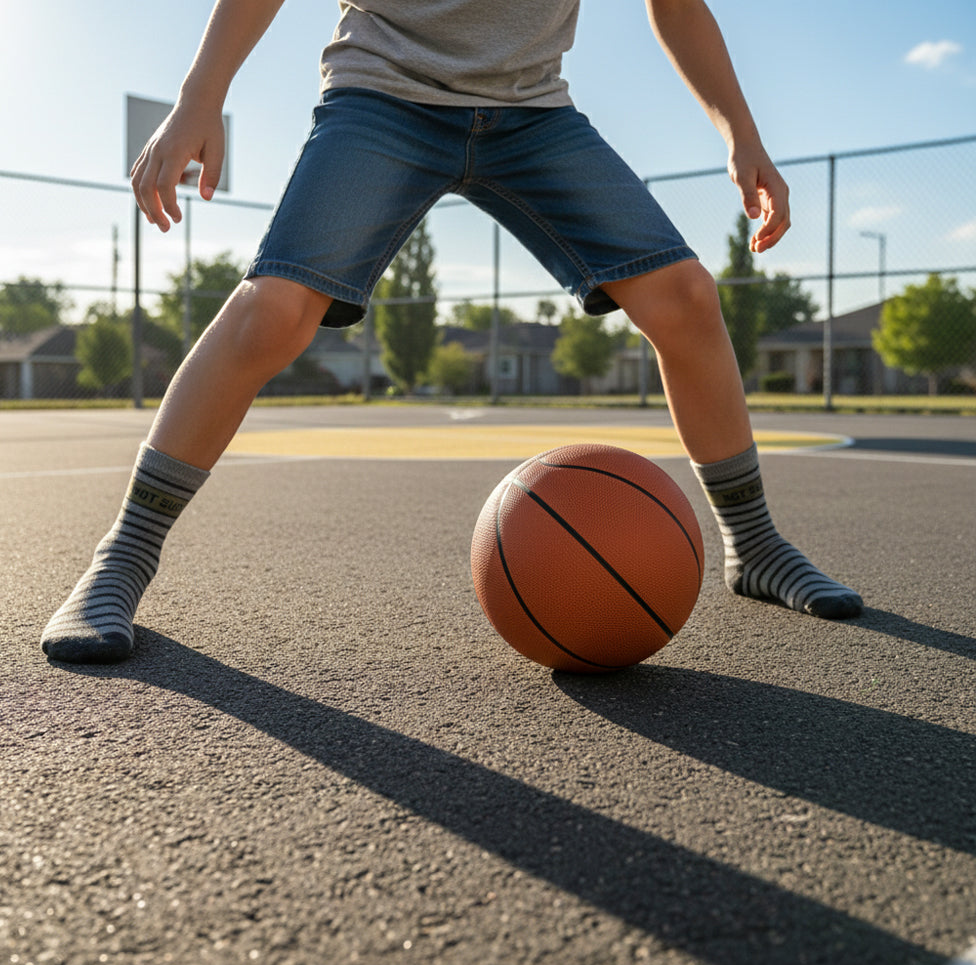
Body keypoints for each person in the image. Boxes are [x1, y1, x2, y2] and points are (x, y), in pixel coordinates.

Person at [42, 0, 862, 665]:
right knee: (273, 311)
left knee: (685, 295)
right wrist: (200, 96)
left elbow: (675, 5)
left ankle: (754, 546)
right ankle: (122, 556)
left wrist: (742, 136)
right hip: (382, 96)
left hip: (533, 112)